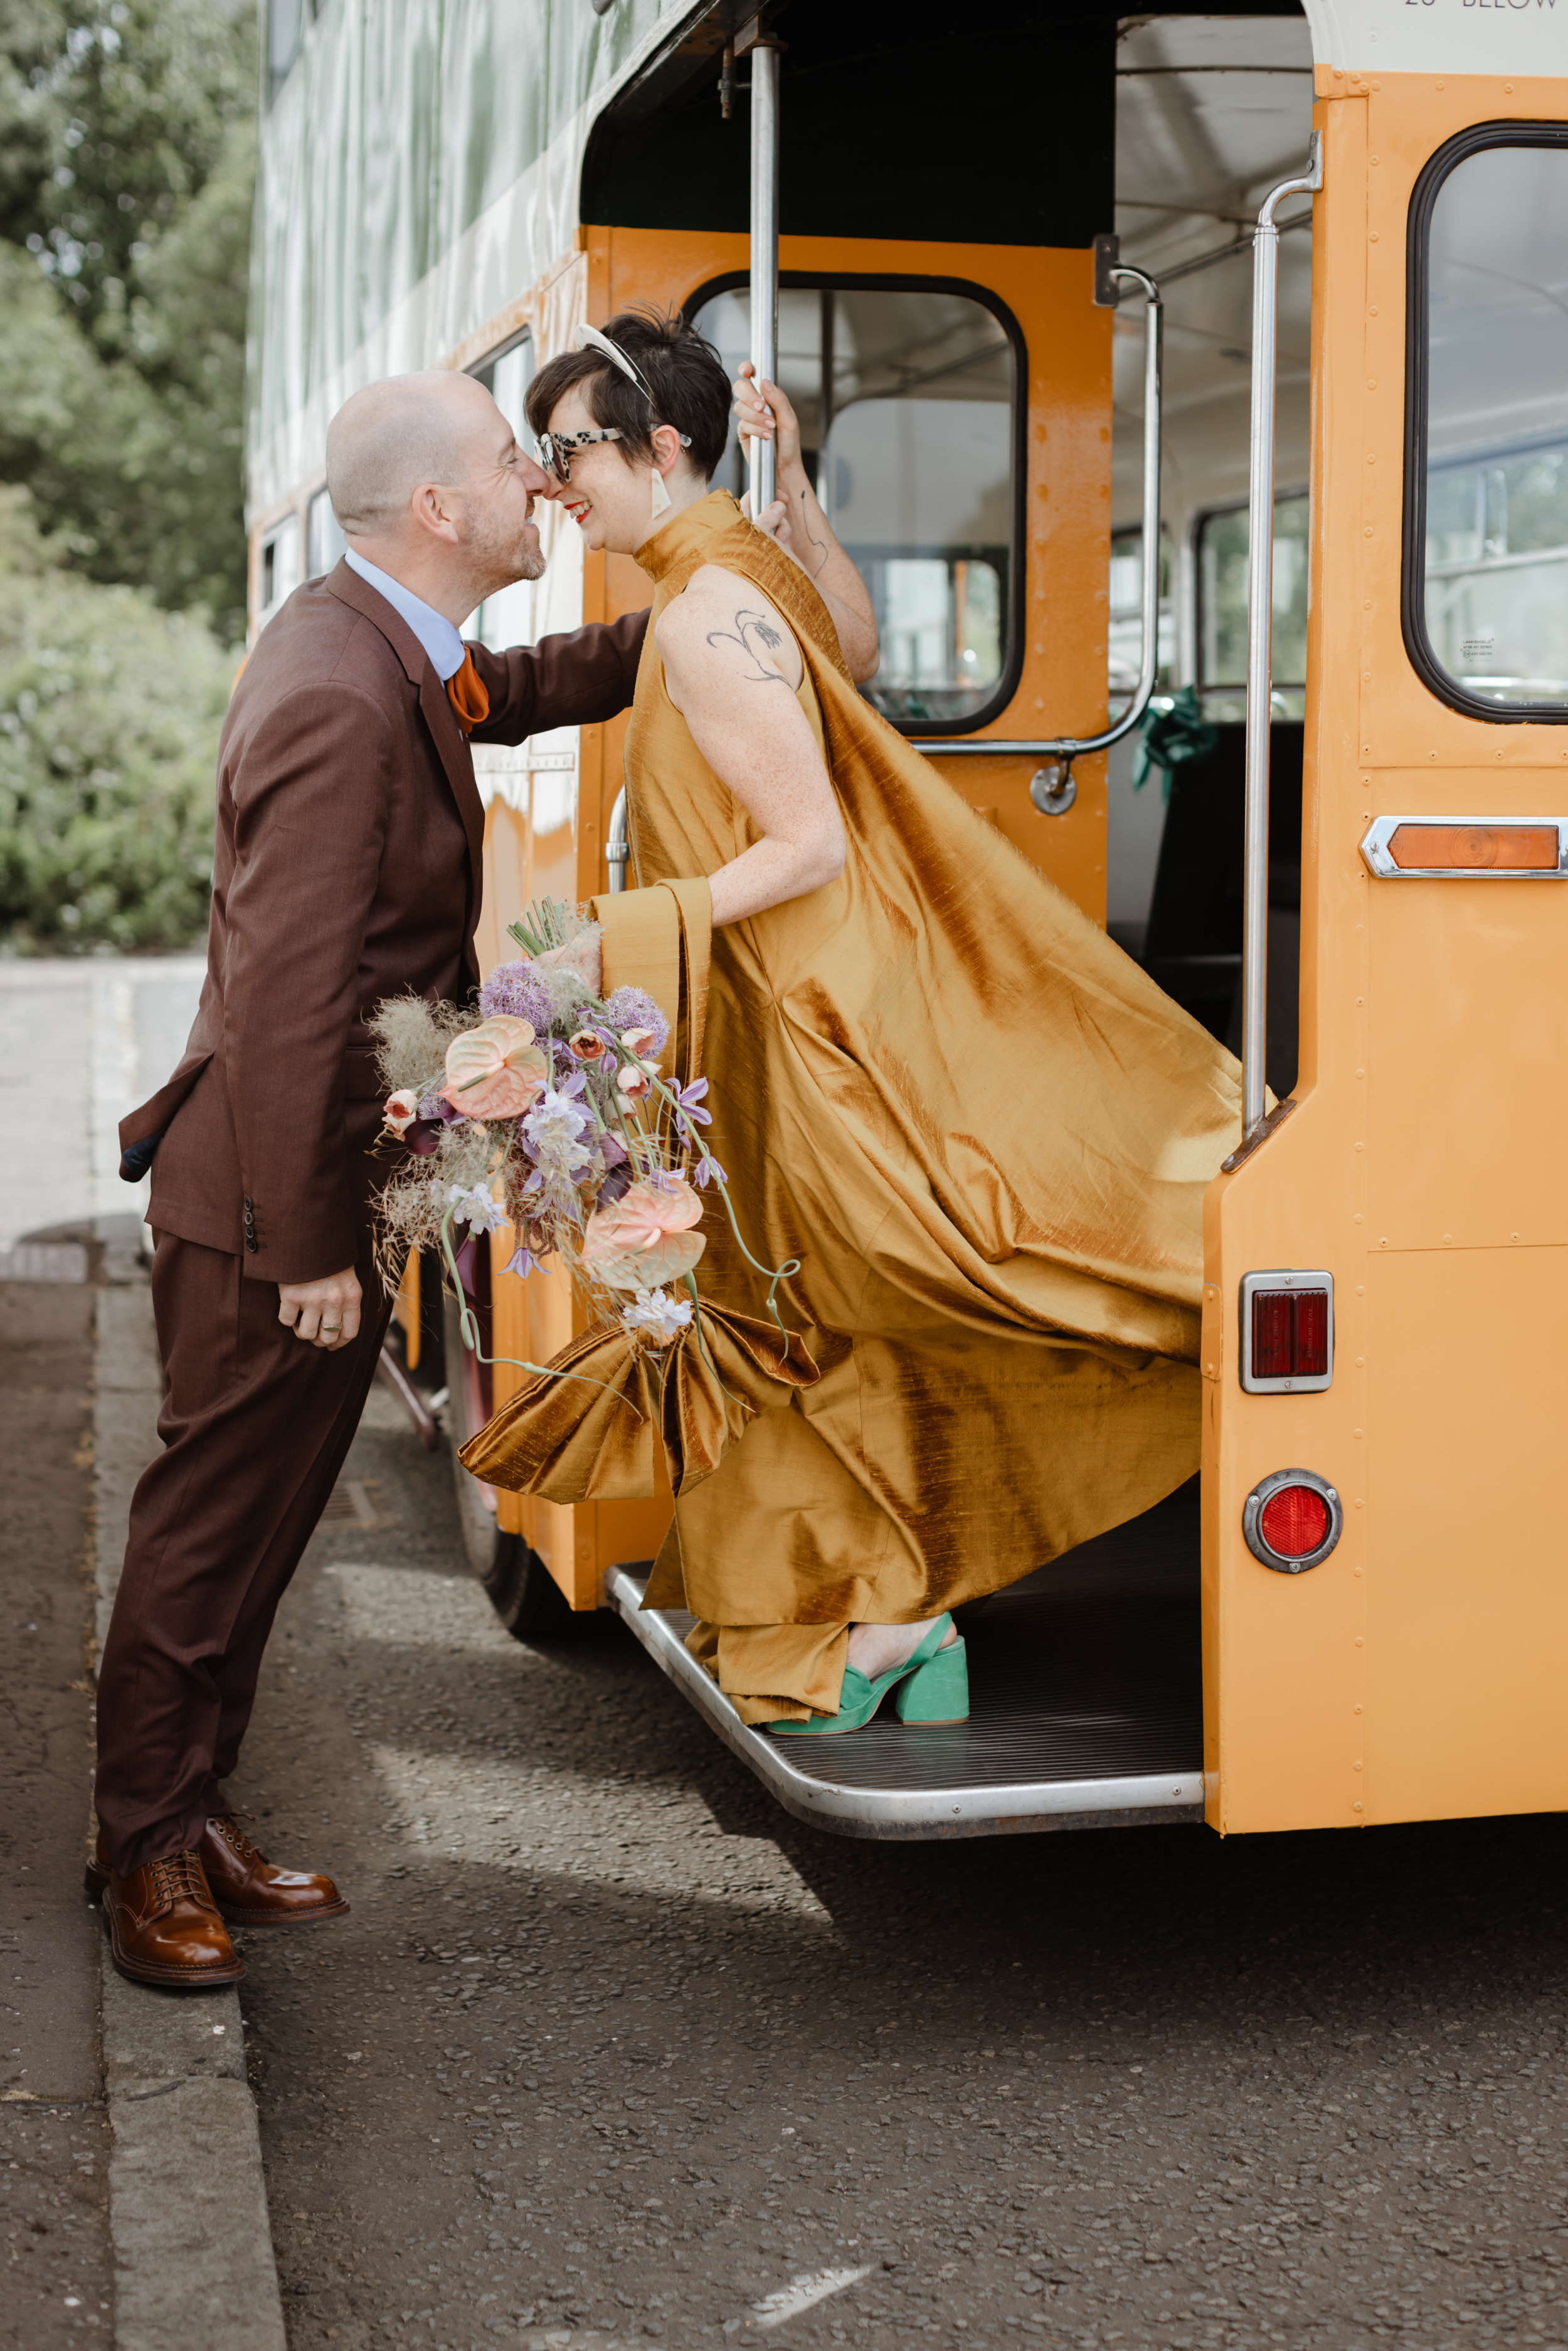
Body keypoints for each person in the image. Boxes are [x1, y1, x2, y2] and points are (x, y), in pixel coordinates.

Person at [466, 305, 1246, 1734]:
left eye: (569, 448)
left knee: (843, 1303)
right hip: (800, 1005)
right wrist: (801, 492)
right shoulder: (734, 565)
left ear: (659, 446)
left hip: (804, 1022)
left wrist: (613, 935)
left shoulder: (704, 612)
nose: (548, 479)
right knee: (828, 1317)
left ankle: (883, 1611)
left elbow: (808, 842)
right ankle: (886, 1606)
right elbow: (858, 638)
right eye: (538, 451)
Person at [91, 368, 660, 1987]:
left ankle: (192, 1811)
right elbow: (291, 1001)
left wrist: (684, 611)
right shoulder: (341, 688)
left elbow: (518, 687)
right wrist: (308, 1244)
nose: (543, 484)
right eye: (512, 462)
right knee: (207, 1529)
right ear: (438, 510)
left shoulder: (393, 651)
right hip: (270, 1199)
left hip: (303, 1181)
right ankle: (140, 1851)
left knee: (263, 1529)